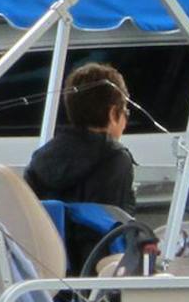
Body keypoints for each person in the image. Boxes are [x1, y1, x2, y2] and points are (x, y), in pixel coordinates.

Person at [25, 63, 136, 210]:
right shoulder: (115, 158)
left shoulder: (41, 158)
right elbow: (116, 225)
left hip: (44, 233)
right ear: (113, 113)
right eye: (125, 112)